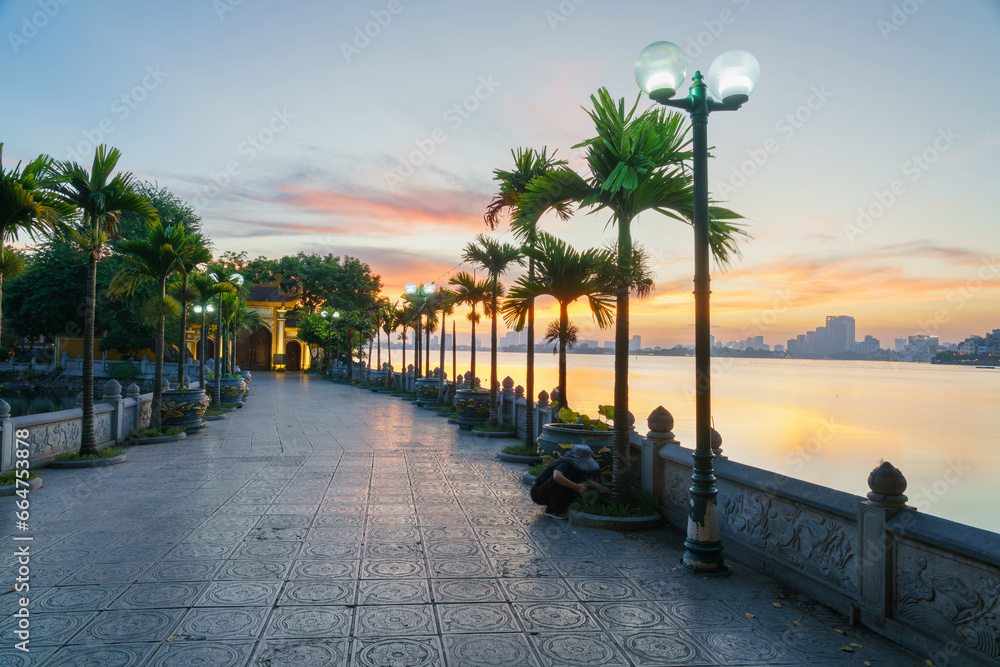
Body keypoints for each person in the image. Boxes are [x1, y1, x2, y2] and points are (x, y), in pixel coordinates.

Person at [530, 445, 610, 519]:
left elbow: (590, 481)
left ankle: (556, 503)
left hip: (547, 492)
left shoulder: (578, 469)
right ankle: (552, 511)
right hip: (538, 493)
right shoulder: (565, 464)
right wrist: (578, 487)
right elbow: (557, 476)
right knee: (560, 479)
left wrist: (605, 489)